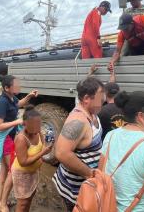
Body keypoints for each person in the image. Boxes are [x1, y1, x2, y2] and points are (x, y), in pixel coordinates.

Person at [53, 77, 105, 211]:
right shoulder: (78, 121)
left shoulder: (91, 112)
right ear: (87, 98)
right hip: (76, 189)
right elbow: (61, 153)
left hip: (86, 185)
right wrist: (89, 174)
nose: (104, 99)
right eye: (100, 96)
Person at [0, 75, 38, 212]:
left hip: (10, 136)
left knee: (5, 171)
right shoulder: (2, 101)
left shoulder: (11, 98)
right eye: (15, 85)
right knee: (14, 170)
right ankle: (2, 204)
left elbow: (19, 104)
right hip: (4, 138)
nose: (18, 87)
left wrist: (29, 96)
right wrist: (17, 122)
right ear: (7, 88)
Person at [12, 105, 53, 212]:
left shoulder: (37, 131)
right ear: (25, 124)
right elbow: (23, 162)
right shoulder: (21, 138)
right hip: (22, 174)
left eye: (39, 124)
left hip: (34, 172)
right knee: (22, 203)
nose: (37, 127)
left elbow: (43, 143)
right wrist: (42, 153)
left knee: (30, 197)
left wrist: (46, 148)